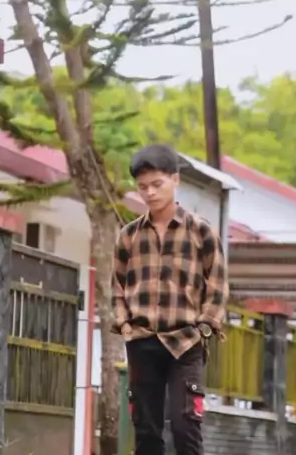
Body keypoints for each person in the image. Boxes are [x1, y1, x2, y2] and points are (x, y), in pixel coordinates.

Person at [111, 144, 228, 455]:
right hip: (142, 340)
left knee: (185, 425)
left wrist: (205, 327)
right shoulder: (128, 236)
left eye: (157, 184)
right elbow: (117, 286)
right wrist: (124, 324)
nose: (150, 193)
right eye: (142, 187)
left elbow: (217, 283)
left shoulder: (201, 231)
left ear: (175, 180)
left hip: (185, 341)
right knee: (146, 431)